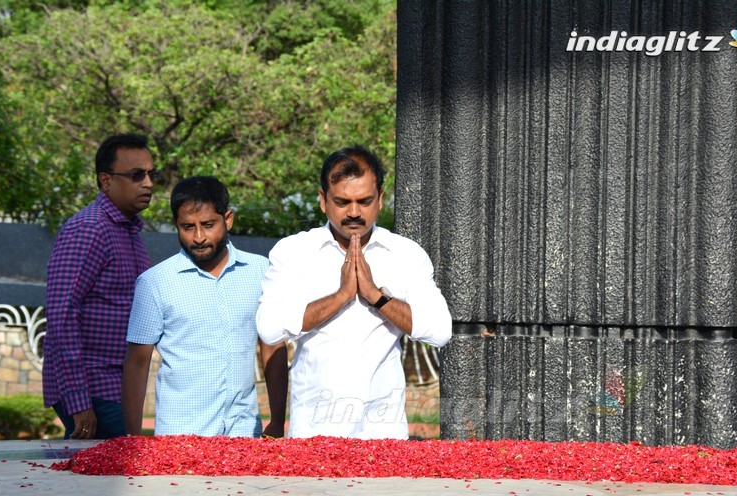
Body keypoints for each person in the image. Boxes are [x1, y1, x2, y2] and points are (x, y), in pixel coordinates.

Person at [256, 146, 452, 439]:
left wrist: (376, 297)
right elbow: (269, 330)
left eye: (364, 201)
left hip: (383, 432)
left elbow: (440, 331)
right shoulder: (293, 252)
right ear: (323, 201)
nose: (354, 212)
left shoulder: (406, 255)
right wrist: (340, 297)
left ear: (381, 200)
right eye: (342, 201)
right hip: (314, 430)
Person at [122, 176, 288, 438]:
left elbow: (272, 346)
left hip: (243, 434)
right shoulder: (155, 283)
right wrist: (131, 439)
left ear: (228, 219)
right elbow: (137, 362)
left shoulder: (261, 272)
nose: (198, 237)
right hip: (179, 437)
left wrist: (277, 421)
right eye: (187, 227)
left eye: (208, 225)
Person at [43, 133, 156, 439]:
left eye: (150, 174)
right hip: (93, 388)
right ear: (106, 181)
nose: (148, 183)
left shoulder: (129, 231)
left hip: (118, 385)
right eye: (136, 175)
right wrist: (79, 402)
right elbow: (61, 314)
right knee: (112, 480)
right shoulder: (89, 229)